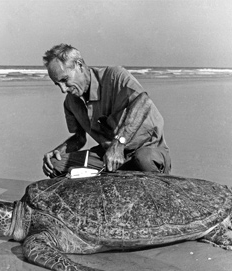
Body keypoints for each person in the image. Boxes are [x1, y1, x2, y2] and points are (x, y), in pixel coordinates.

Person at [42, 44, 171, 177]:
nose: (63, 89)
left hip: (147, 150)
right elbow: (79, 138)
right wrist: (59, 151)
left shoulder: (115, 76)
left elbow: (144, 101)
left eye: (65, 80)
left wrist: (118, 144)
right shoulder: (70, 102)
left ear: (79, 65)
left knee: (144, 159)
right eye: (58, 84)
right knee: (54, 164)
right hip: (107, 157)